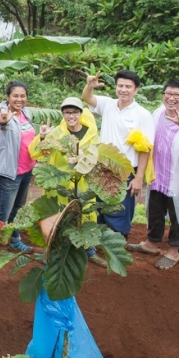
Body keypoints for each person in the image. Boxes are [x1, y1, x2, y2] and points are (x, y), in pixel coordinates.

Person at [125, 80, 179, 269]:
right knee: (155, 210)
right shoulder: (157, 114)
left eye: (177, 95)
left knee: (177, 214)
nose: (171, 98)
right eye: (168, 93)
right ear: (163, 95)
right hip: (158, 176)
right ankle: (151, 243)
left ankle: (173, 250)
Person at [28, 97, 107, 268]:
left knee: (85, 215)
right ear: (63, 114)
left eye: (74, 112)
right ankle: (54, 251)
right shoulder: (56, 133)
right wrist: (42, 137)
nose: (71, 116)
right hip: (60, 185)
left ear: (80, 113)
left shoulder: (91, 132)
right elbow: (37, 154)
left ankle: (88, 250)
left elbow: (97, 156)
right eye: (67, 112)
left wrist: (83, 159)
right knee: (57, 217)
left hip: (83, 184)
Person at [82, 70, 154, 239]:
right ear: (116, 87)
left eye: (128, 87)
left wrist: (139, 178)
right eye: (120, 85)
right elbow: (87, 98)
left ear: (136, 90)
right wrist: (89, 85)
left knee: (121, 207)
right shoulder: (108, 104)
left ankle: (119, 243)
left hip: (125, 170)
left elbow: (145, 148)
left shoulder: (142, 115)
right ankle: (101, 243)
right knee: (100, 204)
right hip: (103, 166)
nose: (123, 90)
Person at [0, 81, 36, 273]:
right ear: (8, 97)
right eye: (15, 96)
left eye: (22, 96)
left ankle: (14, 239)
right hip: (9, 174)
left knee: (17, 209)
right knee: (1, 214)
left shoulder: (27, 113)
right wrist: (4, 121)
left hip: (26, 170)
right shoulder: (2, 114)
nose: (19, 99)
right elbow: (2, 124)